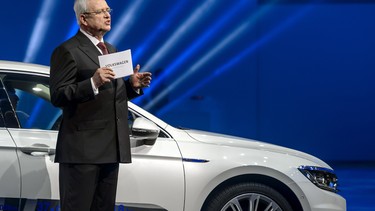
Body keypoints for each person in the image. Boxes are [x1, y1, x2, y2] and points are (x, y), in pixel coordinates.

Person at [49, 0, 152, 210]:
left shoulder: (110, 49)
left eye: (108, 10)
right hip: (83, 151)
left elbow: (110, 97)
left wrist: (131, 86)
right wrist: (92, 82)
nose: (107, 15)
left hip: (110, 148)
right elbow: (58, 96)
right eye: (101, 11)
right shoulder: (67, 50)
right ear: (83, 19)